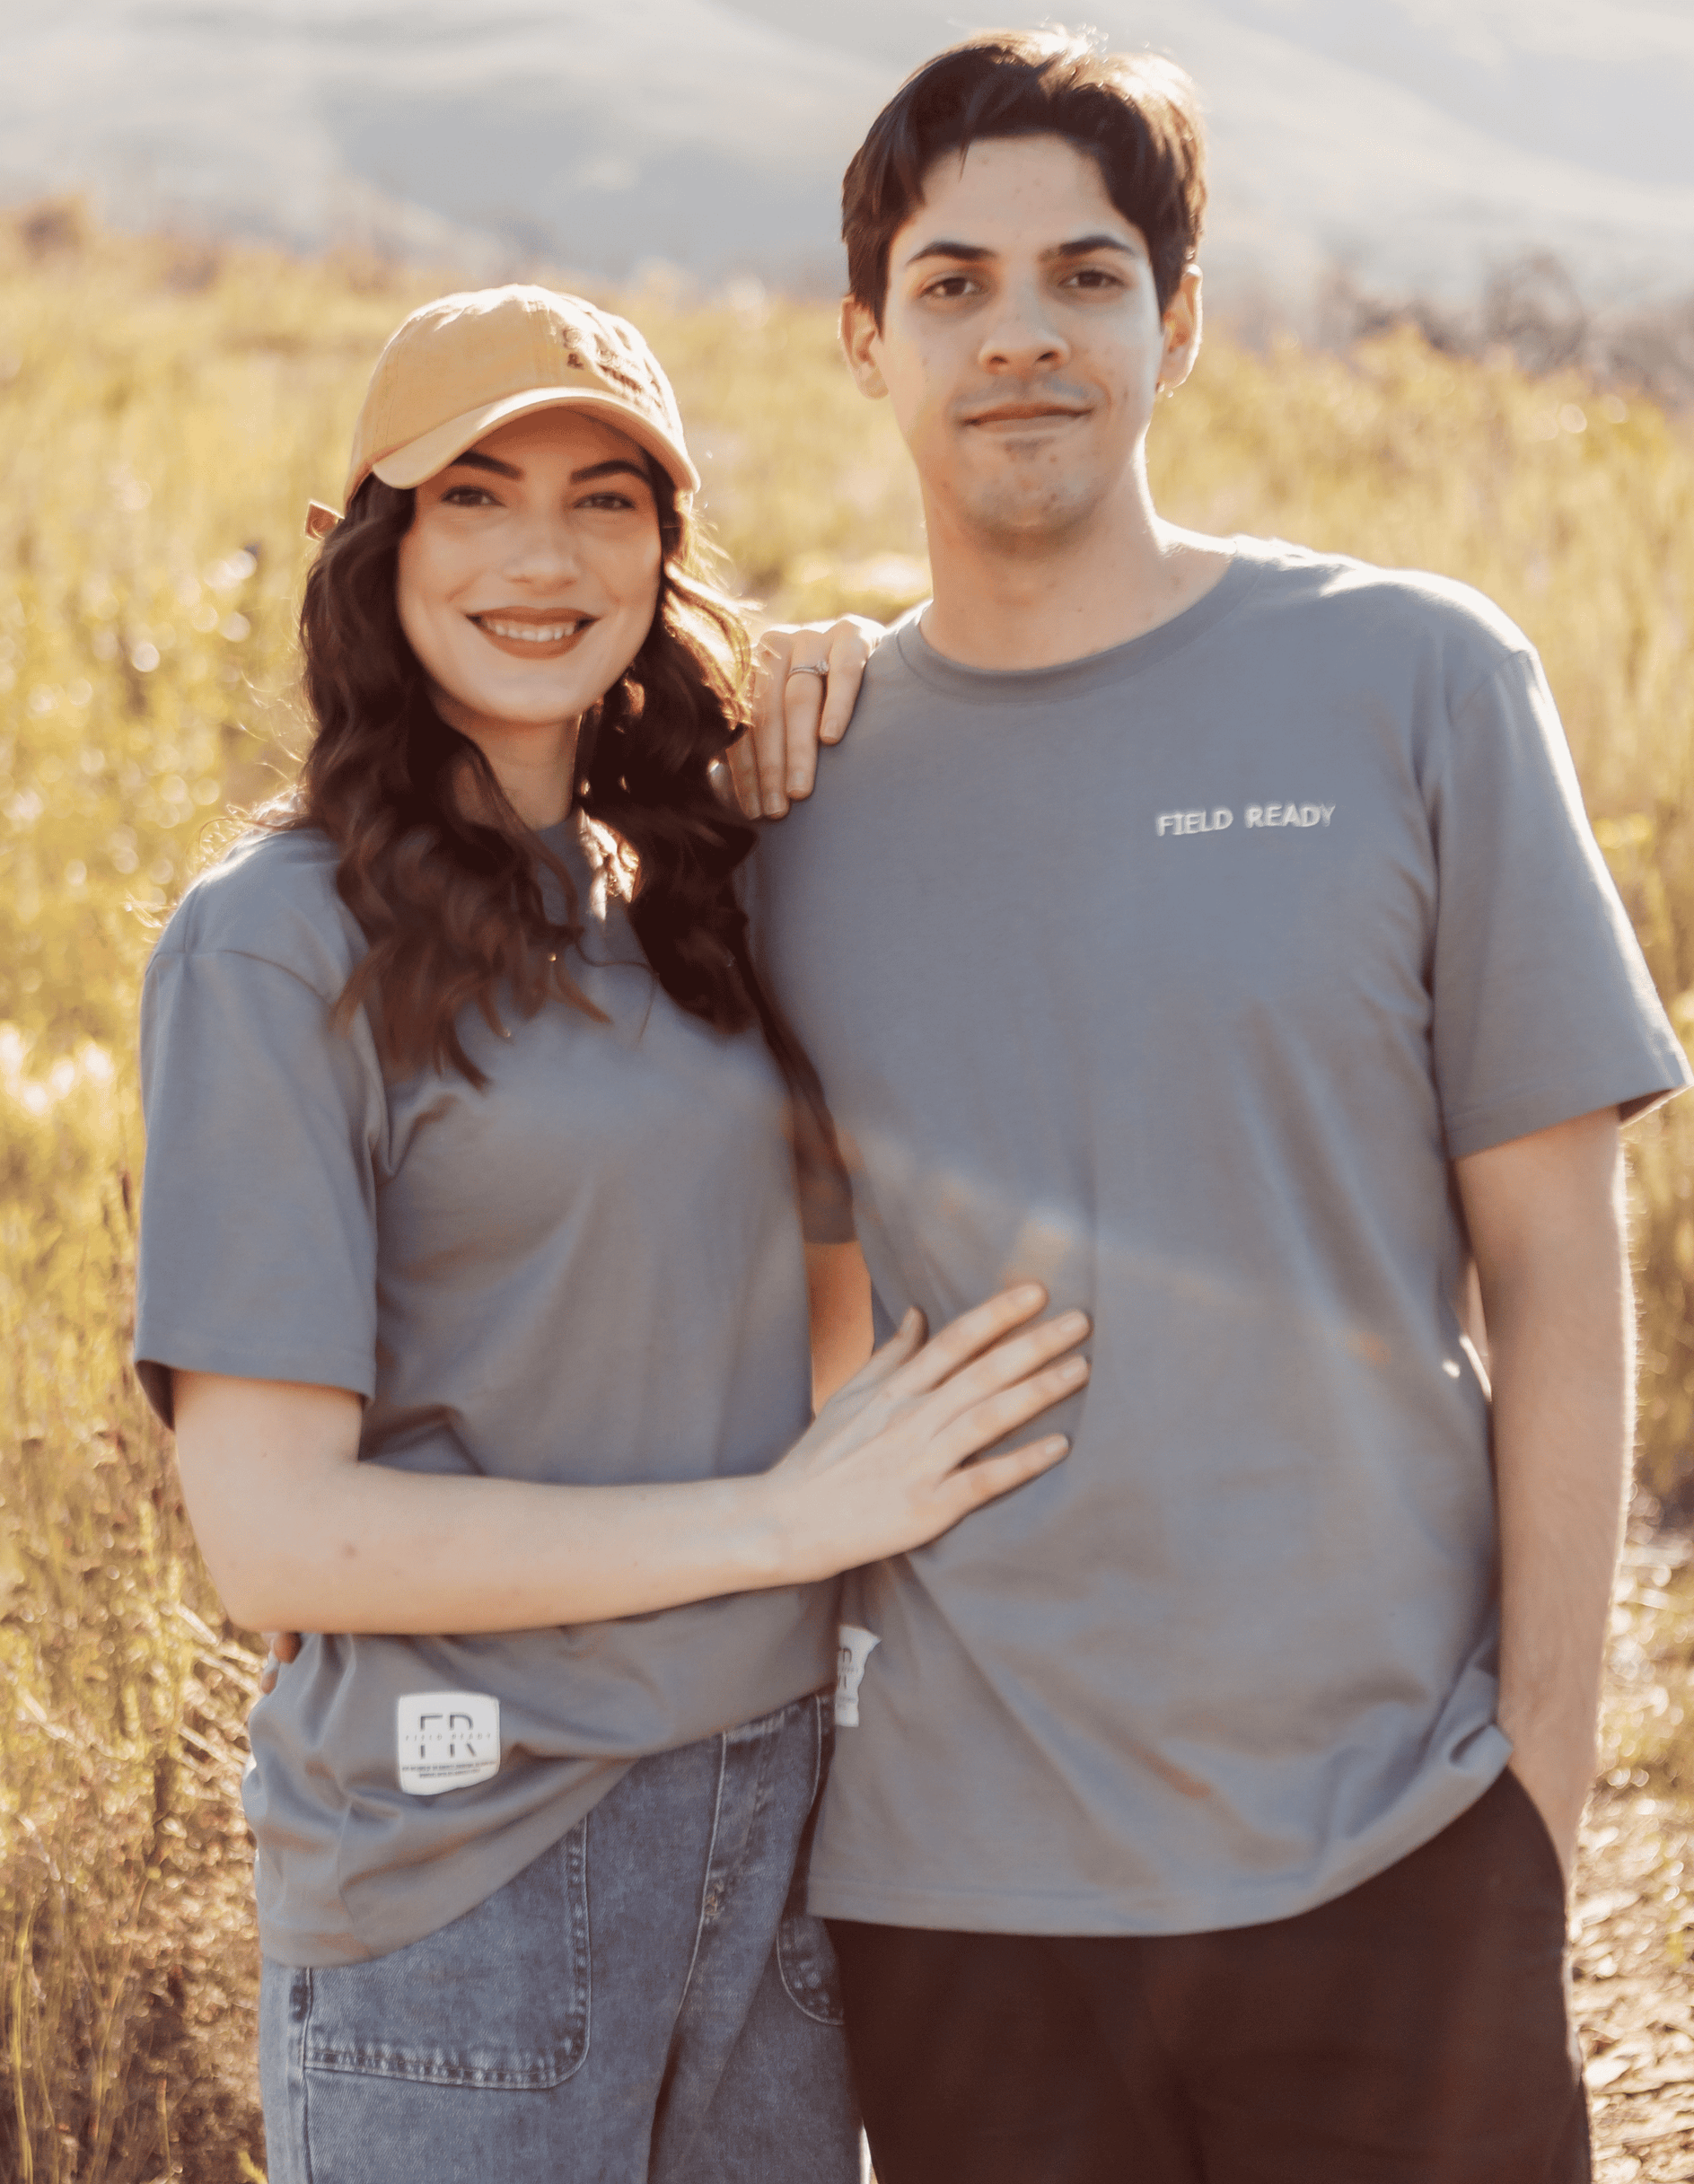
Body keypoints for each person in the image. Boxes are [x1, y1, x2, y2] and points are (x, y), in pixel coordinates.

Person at [743, 32, 1693, 2184]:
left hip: (1398, 1846)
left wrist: (1541, 1784)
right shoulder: (780, 795)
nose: (1021, 337)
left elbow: (1556, 1269)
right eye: (954, 282)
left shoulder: (1421, 682)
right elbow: (789, 1301)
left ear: (1177, 323)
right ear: (862, 341)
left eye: (1085, 277)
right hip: (960, 1896)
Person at [131, 282, 1092, 2183]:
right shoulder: (273, 943)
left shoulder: (685, 898)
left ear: (668, 547)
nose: (544, 557)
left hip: (780, 1830)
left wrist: (848, 704)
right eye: (475, 497)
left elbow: (804, 1300)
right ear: (367, 554)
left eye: (609, 500)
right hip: (470, 1866)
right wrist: (783, 1525)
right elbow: (272, 1532)